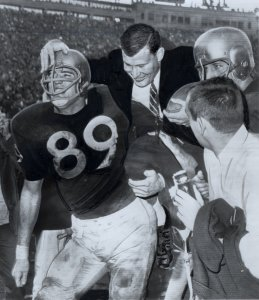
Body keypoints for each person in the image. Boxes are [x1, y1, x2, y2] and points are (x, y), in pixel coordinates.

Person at [11, 49, 158, 299]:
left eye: (65, 77)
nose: (55, 85)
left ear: (84, 83)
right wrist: (22, 252)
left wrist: (157, 175)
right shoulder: (30, 123)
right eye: (52, 77)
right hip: (84, 231)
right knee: (48, 296)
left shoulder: (113, 99)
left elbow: (157, 137)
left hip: (130, 225)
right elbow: (31, 190)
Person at [40, 23, 199, 199]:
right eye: (129, 65)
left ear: (159, 54)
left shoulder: (186, 61)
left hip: (197, 146)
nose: (135, 73)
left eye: (142, 65)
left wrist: (196, 106)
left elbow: (226, 84)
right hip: (151, 145)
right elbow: (82, 67)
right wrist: (57, 52)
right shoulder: (116, 66)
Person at [174, 77, 259, 298]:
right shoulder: (213, 150)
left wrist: (200, 221)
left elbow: (256, 259)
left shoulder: (255, 165)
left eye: (189, 120)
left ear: (201, 125)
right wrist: (209, 200)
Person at [164, 26, 258, 143]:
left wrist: (198, 117)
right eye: (201, 69)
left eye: (218, 66)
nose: (207, 77)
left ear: (242, 62)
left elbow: (241, 144)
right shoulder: (235, 99)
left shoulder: (254, 100)